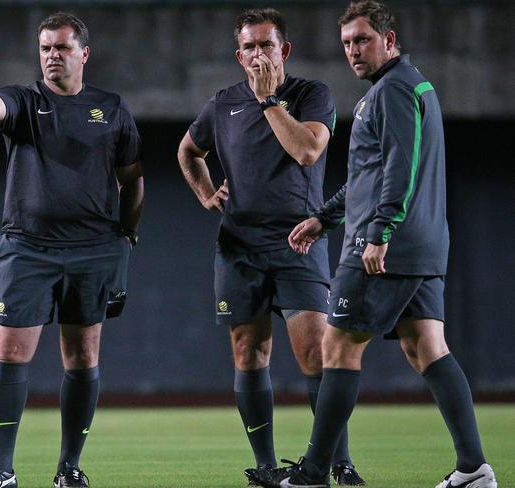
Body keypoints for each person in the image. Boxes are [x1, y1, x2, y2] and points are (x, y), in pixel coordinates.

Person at [253, 2, 498, 487]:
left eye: (362, 40)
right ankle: (473, 468)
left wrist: (379, 232)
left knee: (338, 345)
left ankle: (313, 473)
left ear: (390, 40)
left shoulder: (393, 90)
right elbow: (371, 173)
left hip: (386, 247)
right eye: (346, 43)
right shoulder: (410, 86)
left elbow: (399, 169)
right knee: (426, 346)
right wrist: (324, 218)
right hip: (423, 245)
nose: (353, 51)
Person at [177, 8, 364, 487]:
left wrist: (268, 102)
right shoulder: (221, 104)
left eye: (267, 45)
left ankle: (332, 463)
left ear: (284, 50)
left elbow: (307, 150)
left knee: (316, 356)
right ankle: (265, 465)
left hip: (298, 243)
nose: (259, 54)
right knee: (248, 353)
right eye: (250, 47)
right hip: (239, 247)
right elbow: (187, 150)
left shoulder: (310, 95)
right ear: (239, 56)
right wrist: (205, 191)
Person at [0, 12, 144, 488]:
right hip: (28, 248)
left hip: (93, 249)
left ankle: (69, 468)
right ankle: (1, 469)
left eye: (61, 48)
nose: (52, 57)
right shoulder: (26, 100)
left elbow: (131, 177)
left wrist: (128, 232)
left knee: (83, 357)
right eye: (45, 48)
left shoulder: (112, 107)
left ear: (83, 53)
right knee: (10, 352)